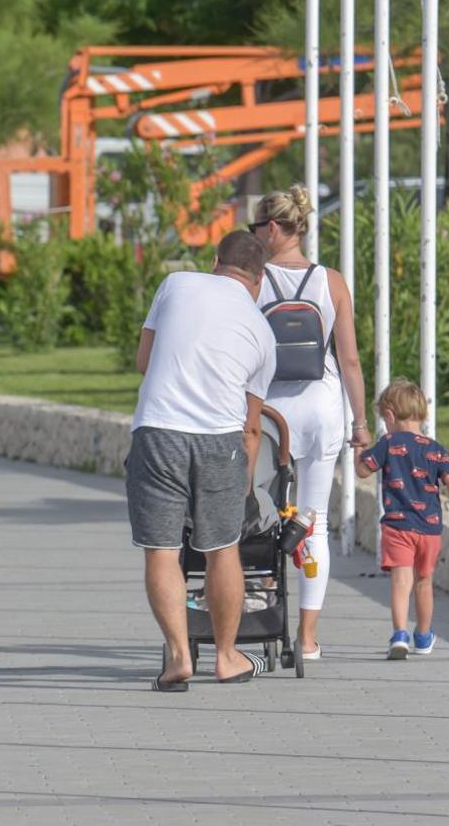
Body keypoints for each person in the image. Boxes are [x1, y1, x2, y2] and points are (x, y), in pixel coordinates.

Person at [129, 230, 277, 690]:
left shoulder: (176, 285)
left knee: (163, 550)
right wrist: (246, 484)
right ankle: (228, 657)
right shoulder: (262, 333)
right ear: (259, 280)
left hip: (159, 430)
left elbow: (143, 361)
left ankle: (177, 657)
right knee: (222, 549)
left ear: (216, 261)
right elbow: (252, 427)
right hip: (220, 440)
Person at [252, 185, 371, 661]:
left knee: (261, 515)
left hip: (269, 411)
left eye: (257, 226)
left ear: (275, 228)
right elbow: (350, 360)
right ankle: (306, 639)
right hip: (323, 407)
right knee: (312, 521)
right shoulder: (331, 281)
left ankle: (259, 615)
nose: (255, 235)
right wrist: (360, 426)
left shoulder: (254, 281)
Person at [356, 379, 449, 659]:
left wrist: (358, 449)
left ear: (389, 416)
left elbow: (363, 471)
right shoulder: (434, 448)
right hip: (430, 530)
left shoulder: (388, 443)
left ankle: (400, 634)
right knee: (424, 582)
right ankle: (423, 636)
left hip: (398, 526)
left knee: (401, 582)